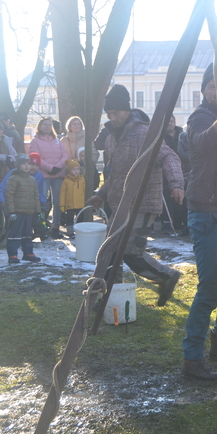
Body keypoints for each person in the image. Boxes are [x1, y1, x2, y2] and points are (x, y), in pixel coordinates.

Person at [86, 84, 184, 306]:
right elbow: (115, 174)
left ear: (127, 110)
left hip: (143, 203)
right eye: (109, 114)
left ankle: (166, 276)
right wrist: (101, 194)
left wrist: (177, 183)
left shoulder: (145, 133)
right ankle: (112, 298)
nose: (112, 117)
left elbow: (169, 157)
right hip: (119, 204)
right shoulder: (111, 137)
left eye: (116, 112)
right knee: (110, 251)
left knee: (130, 251)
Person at [182, 63, 217, 381]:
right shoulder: (199, 117)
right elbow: (201, 141)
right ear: (205, 90)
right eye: (214, 86)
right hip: (206, 212)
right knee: (210, 287)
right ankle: (192, 357)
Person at [29, 117, 68, 239]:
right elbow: (35, 157)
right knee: (42, 202)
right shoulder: (35, 141)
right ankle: (41, 226)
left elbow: (65, 155)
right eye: (44, 124)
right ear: (39, 127)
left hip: (58, 175)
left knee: (57, 202)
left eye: (49, 125)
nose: (47, 126)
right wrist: (50, 168)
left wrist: (58, 167)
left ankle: (55, 226)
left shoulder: (57, 140)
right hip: (43, 175)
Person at [5, 154, 43, 264]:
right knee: (14, 234)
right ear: (18, 166)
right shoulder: (13, 178)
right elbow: (9, 195)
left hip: (29, 212)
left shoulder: (32, 179)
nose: (27, 166)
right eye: (23, 164)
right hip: (17, 212)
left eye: (28, 164)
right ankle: (12, 254)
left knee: (27, 233)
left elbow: (36, 196)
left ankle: (28, 252)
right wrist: (11, 211)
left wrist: (38, 211)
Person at [160, 114, 186, 232]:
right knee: (166, 195)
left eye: (171, 121)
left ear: (174, 122)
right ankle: (167, 222)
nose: (169, 123)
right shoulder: (161, 137)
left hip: (182, 169)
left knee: (181, 196)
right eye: (167, 122)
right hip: (165, 171)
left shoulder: (182, 135)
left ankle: (179, 221)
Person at [59, 159, 86, 232]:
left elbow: (85, 191)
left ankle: (79, 230)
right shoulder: (66, 181)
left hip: (80, 204)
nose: (76, 171)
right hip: (69, 204)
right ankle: (70, 231)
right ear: (69, 170)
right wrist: (62, 204)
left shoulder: (82, 180)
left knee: (80, 218)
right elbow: (62, 193)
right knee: (69, 219)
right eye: (74, 169)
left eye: (78, 169)